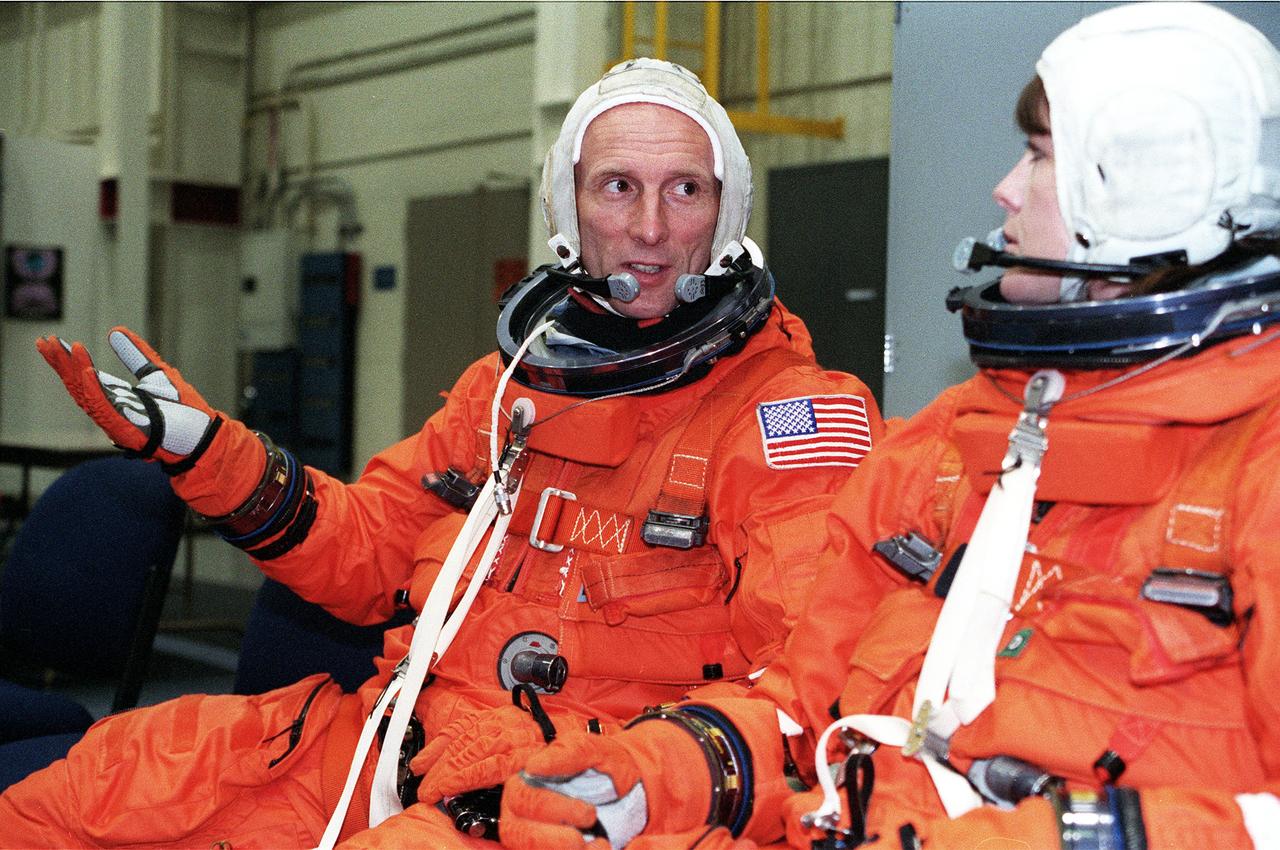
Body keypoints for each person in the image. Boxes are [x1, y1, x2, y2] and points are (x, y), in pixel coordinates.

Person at [0, 58, 885, 849]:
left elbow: (821, 688)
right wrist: (213, 456)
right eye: (617, 186)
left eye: (685, 190)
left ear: (726, 216)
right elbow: (370, 549)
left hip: (565, 798)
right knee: (73, 797)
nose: (651, 227)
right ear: (567, 211)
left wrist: (645, 777)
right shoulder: (504, 393)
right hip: (386, 744)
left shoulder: (788, 421)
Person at [497, 5, 1280, 849]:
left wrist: (1067, 838)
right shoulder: (949, 447)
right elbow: (806, 707)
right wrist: (669, 772)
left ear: (1148, 190)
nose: (1006, 189)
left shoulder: (1253, 472)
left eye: (1041, 156)